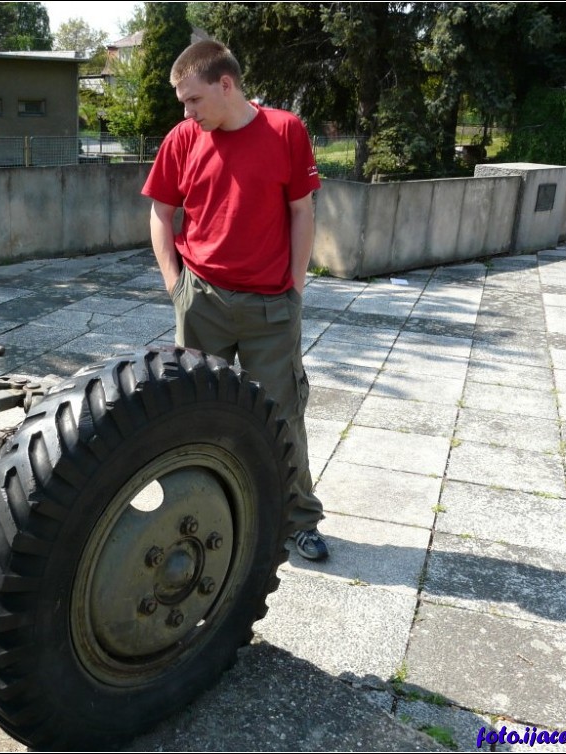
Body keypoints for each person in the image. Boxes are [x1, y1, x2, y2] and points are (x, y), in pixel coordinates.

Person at [141, 39, 328, 560]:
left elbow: (301, 211)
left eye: (193, 99)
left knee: (283, 415)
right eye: (183, 102)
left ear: (226, 84)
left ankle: (298, 520)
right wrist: (175, 284)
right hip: (202, 302)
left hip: (271, 307)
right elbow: (161, 214)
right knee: (198, 415)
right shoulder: (182, 139)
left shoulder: (285, 130)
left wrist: (295, 286)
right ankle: (200, 517)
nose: (187, 111)